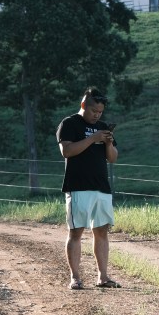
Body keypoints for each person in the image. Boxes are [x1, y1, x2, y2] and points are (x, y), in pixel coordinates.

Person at [56, 87, 120, 290]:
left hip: (101, 187)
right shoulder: (69, 123)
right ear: (83, 105)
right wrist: (93, 138)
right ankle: (75, 278)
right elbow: (67, 151)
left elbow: (113, 158)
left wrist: (108, 143)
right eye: (94, 111)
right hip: (78, 186)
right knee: (76, 231)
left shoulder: (102, 127)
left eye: (100, 112)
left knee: (101, 231)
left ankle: (103, 277)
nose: (97, 115)